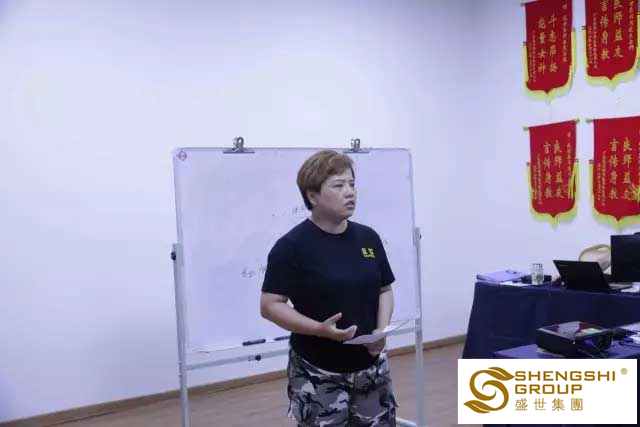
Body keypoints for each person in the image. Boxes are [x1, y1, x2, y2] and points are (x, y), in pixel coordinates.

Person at [260, 150, 397, 427]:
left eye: (352, 184)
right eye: (338, 185)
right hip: (318, 372)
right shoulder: (292, 247)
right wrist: (319, 329)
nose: (350, 192)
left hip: (371, 368)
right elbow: (270, 305)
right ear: (313, 196)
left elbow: (385, 290)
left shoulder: (368, 238)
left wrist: (380, 331)